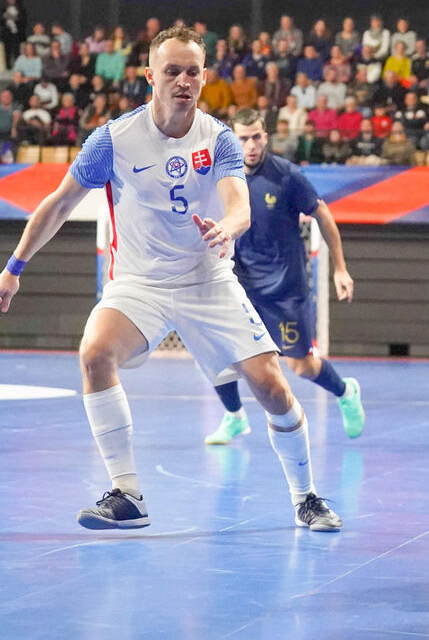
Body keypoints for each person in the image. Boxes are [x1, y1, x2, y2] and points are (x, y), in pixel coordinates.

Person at [0, 26, 341, 532]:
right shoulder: (114, 140)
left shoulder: (219, 137)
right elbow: (59, 203)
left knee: (271, 386)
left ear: (204, 77)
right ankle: (127, 494)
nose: (183, 80)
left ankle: (306, 497)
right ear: (149, 76)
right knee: (95, 354)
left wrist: (226, 227)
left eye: (192, 71)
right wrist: (13, 269)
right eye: (171, 71)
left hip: (207, 280)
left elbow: (238, 205)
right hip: (140, 284)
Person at [204, 108, 364, 443]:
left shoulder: (286, 176)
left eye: (256, 136)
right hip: (243, 287)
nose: (250, 145)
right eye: (243, 138)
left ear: (266, 136)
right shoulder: (224, 177)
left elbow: (323, 216)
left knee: (301, 367)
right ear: (233, 139)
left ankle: (345, 391)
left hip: (286, 289)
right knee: (214, 354)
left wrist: (340, 268)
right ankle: (234, 417)